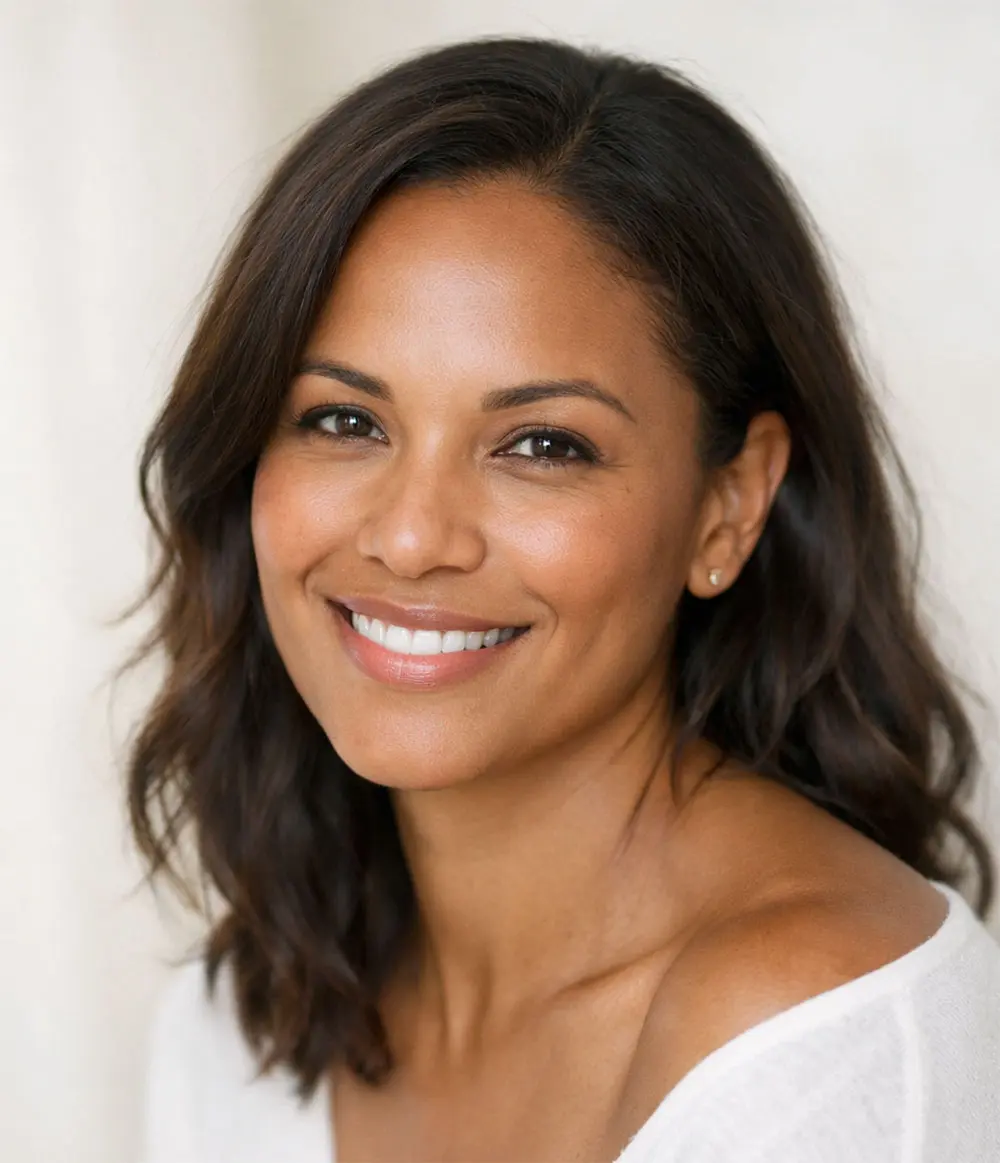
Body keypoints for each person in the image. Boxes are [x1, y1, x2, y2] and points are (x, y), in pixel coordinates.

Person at [130, 36, 1000, 1163]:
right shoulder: (235, 1020)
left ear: (727, 506)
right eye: (344, 420)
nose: (409, 535)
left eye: (541, 443)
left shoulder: (818, 1028)